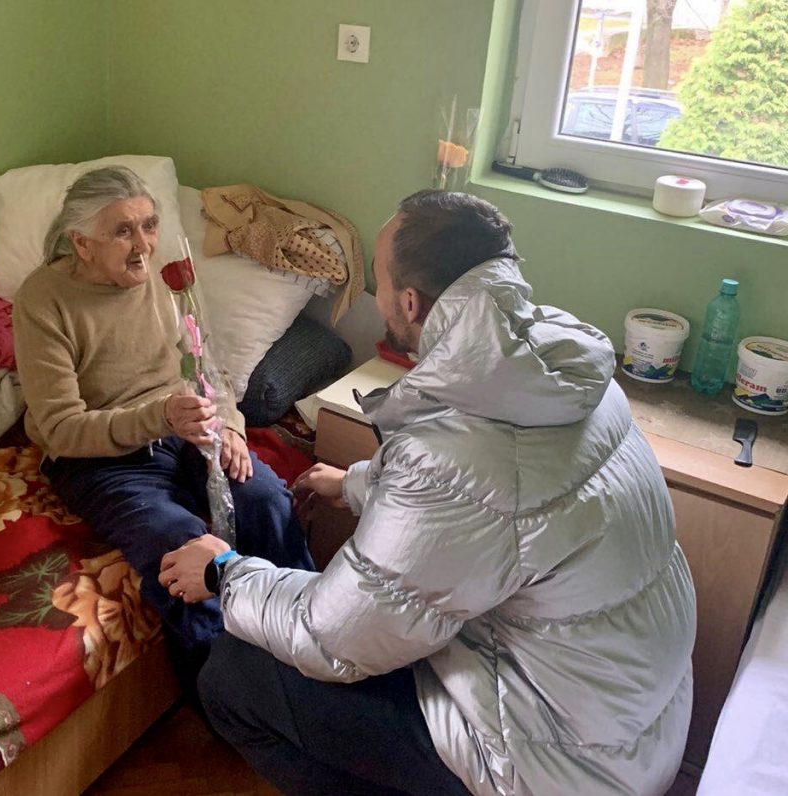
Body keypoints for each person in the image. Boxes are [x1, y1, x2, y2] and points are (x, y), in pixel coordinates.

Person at [160, 191, 696, 795]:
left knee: (232, 678)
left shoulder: (451, 454)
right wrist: (356, 484)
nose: (379, 295)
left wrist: (226, 573)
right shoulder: (564, 375)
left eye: (380, 281)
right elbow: (500, 503)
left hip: (552, 767)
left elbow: (334, 639)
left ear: (409, 302)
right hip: (631, 731)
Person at [11, 166, 314, 687]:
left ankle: (312, 635)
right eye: (122, 231)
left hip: (183, 427)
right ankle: (234, 695)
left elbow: (205, 366)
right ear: (82, 243)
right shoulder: (43, 301)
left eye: (149, 226)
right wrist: (161, 416)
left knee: (264, 498)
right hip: (100, 460)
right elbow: (60, 429)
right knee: (183, 552)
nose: (143, 246)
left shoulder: (159, 277)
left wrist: (231, 427)